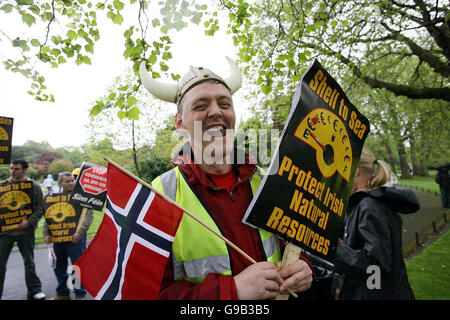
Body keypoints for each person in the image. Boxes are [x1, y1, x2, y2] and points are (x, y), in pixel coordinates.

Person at [140, 58, 313, 299]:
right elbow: (150, 293)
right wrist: (233, 291)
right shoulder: (159, 195)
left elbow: (289, 244)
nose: (216, 112)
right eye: (201, 105)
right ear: (179, 123)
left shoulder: (264, 181)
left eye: (224, 103)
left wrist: (302, 266)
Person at [333, 148, 419, 299]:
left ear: (357, 170)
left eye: (342, 167)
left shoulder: (369, 207)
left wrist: (330, 249)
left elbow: (375, 266)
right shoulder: (363, 204)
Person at [0, 159, 46, 300]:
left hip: (25, 232)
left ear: (25, 170)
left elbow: (40, 208)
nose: (13, 171)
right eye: (12, 169)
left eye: (17, 169)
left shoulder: (33, 187)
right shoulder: (2, 187)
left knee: (29, 263)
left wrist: (29, 221)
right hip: (4, 233)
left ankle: (35, 291)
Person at [43, 172, 93, 300]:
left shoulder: (81, 197)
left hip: (75, 238)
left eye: (72, 180)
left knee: (76, 266)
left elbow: (88, 216)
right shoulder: (52, 198)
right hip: (58, 239)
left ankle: (79, 294)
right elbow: (48, 217)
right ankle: (62, 293)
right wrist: (46, 233)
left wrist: (80, 232)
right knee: (59, 267)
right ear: (60, 183)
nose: (71, 183)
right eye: (67, 181)